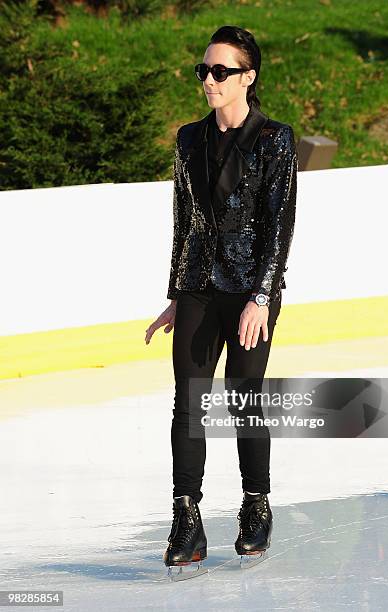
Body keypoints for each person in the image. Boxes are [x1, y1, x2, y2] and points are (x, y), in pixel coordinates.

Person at [145, 25, 298, 577]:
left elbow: (281, 227)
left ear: (247, 78)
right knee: (188, 403)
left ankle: (256, 503)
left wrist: (262, 296)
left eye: (220, 72)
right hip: (197, 288)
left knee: (243, 397)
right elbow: (183, 221)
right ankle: (186, 519)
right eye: (203, 71)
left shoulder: (274, 139)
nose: (208, 80)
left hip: (251, 288)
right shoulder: (189, 138)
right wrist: (173, 296)